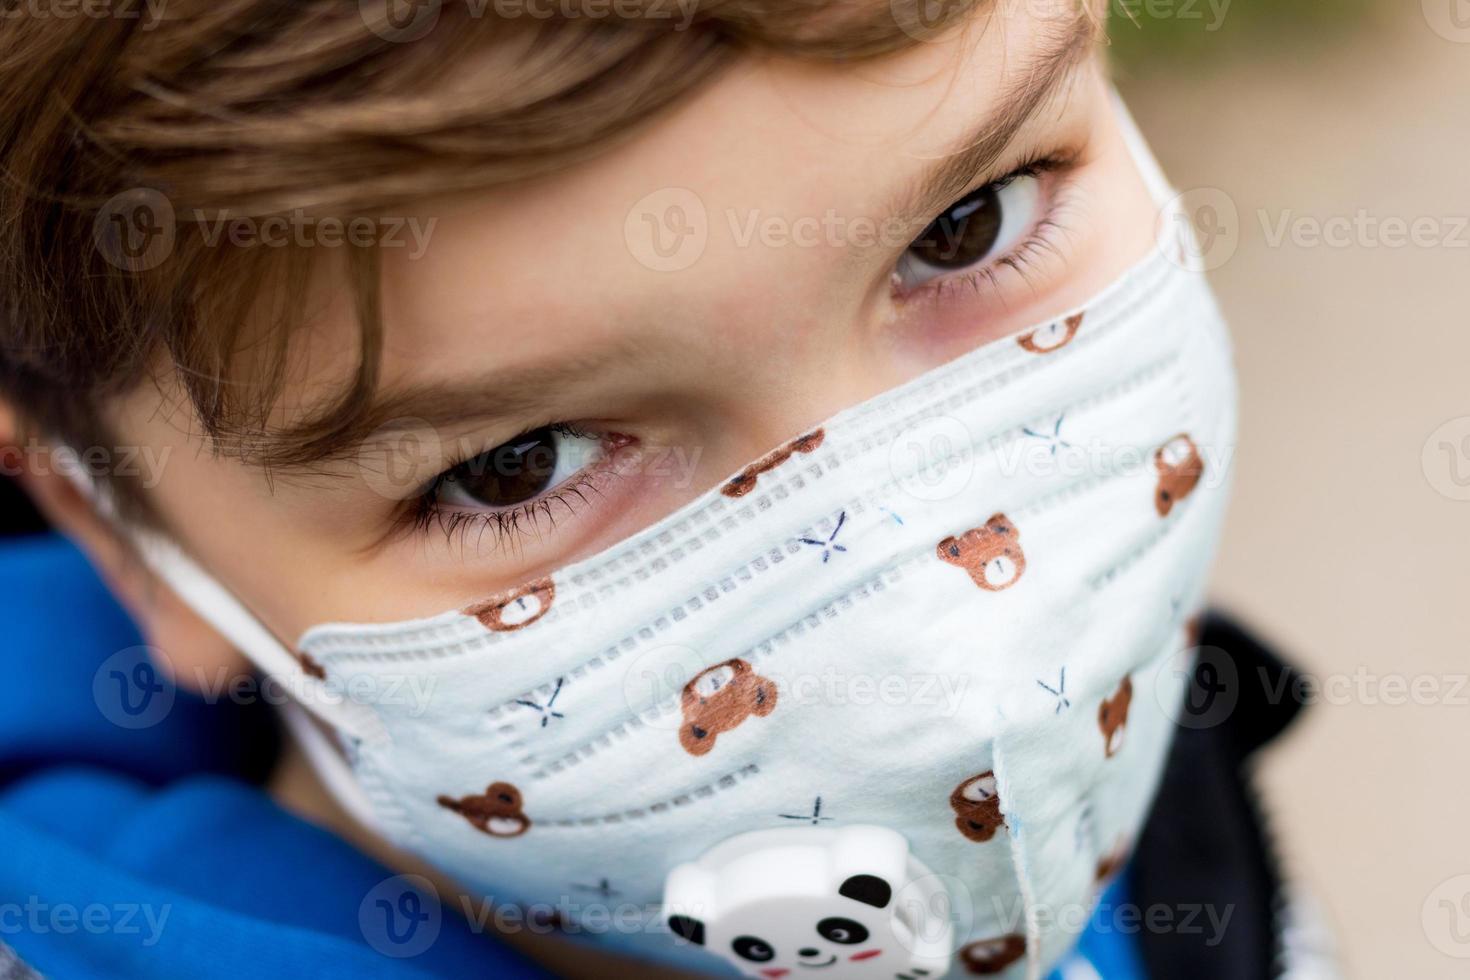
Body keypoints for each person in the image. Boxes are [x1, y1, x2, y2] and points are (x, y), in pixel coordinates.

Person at [0, 2, 1327, 977]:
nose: (931, 636)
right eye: (517, 465)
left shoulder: (1144, 735)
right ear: (117, 536)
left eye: (966, 224)